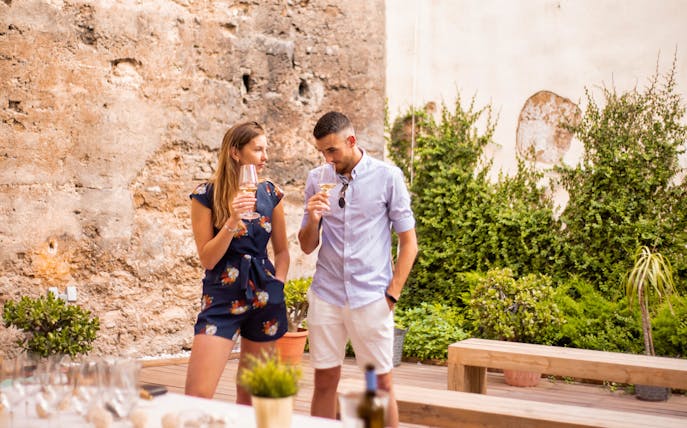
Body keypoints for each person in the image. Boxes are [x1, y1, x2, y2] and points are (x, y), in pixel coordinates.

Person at [298, 111, 418, 427]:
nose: (327, 158)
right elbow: (307, 245)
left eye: (332, 150)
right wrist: (312, 218)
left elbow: (409, 244)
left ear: (351, 141)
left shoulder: (388, 177)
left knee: (380, 386)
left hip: (372, 298)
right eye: (322, 151)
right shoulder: (317, 179)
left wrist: (391, 295)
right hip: (327, 296)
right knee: (324, 383)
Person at [185, 121, 290, 403]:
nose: (265, 157)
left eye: (265, 150)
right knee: (197, 394)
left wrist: (278, 284)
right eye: (257, 150)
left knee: (252, 396)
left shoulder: (270, 194)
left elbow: (282, 252)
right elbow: (207, 259)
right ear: (235, 152)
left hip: (266, 295)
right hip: (221, 297)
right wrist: (232, 221)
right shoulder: (206, 195)